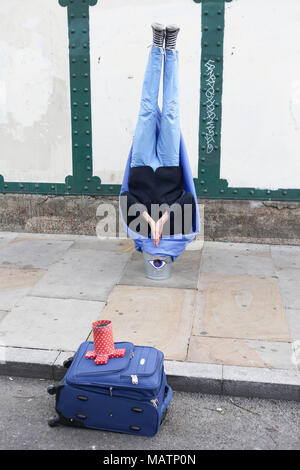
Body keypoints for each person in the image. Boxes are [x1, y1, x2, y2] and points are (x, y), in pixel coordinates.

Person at [121, 23, 195, 247]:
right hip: (169, 164)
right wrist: (163, 221)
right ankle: (170, 49)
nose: (157, 240)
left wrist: (150, 222)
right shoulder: (176, 226)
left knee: (147, 109)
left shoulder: (140, 229)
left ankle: (156, 47)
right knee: (171, 110)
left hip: (141, 163)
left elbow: (126, 198)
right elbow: (188, 199)